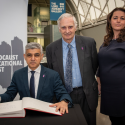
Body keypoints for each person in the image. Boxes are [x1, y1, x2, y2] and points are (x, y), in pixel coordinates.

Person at [46, 13, 98, 125]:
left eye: (70, 27)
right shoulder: (51, 49)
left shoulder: (89, 43)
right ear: (59, 29)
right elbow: (52, 72)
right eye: (63, 27)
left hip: (87, 94)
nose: (67, 31)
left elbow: (94, 66)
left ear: (75, 27)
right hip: (64, 95)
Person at [0, 42, 72, 115]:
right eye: (29, 55)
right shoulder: (18, 74)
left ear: (41, 56)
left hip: (45, 115)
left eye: (36, 55)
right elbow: (9, 95)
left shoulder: (52, 75)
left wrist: (64, 101)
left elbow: (63, 94)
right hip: (25, 115)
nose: (33, 59)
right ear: (24, 57)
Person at [96, 7, 125, 125]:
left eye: (122, 18)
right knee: (114, 119)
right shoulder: (107, 41)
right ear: (110, 21)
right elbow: (102, 62)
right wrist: (98, 80)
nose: (118, 21)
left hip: (122, 91)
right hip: (108, 90)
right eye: (115, 18)